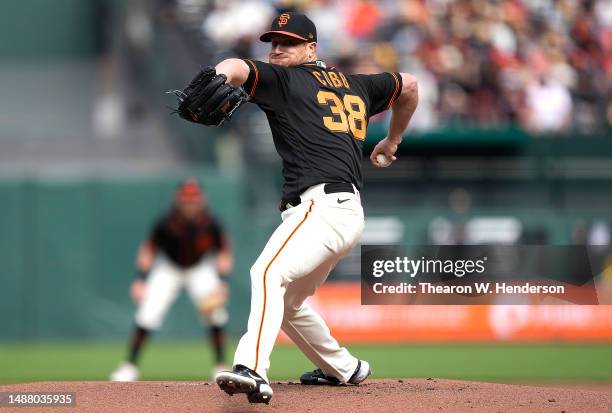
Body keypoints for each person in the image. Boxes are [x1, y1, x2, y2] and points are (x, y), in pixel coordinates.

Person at [213, 12, 418, 404]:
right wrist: (393, 140)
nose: (277, 49)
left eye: (288, 42)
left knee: (266, 273)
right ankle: (345, 368)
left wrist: (218, 74)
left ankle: (252, 368)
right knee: (287, 302)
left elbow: (237, 68)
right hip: (344, 211)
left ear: (312, 48)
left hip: (319, 206)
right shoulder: (357, 84)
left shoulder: (286, 79)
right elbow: (409, 84)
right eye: (273, 42)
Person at [110, 178, 233, 381]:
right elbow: (148, 250)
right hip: (169, 267)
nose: (190, 204)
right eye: (186, 200)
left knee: (215, 314)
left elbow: (223, 251)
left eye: (194, 200)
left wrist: (222, 281)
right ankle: (129, 366)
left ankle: (220, 366)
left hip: (199, 268)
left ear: (202, 200)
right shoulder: (166, 222)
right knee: (147, 314)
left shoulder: (211, 223)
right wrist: (140, 279)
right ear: (178, 200)